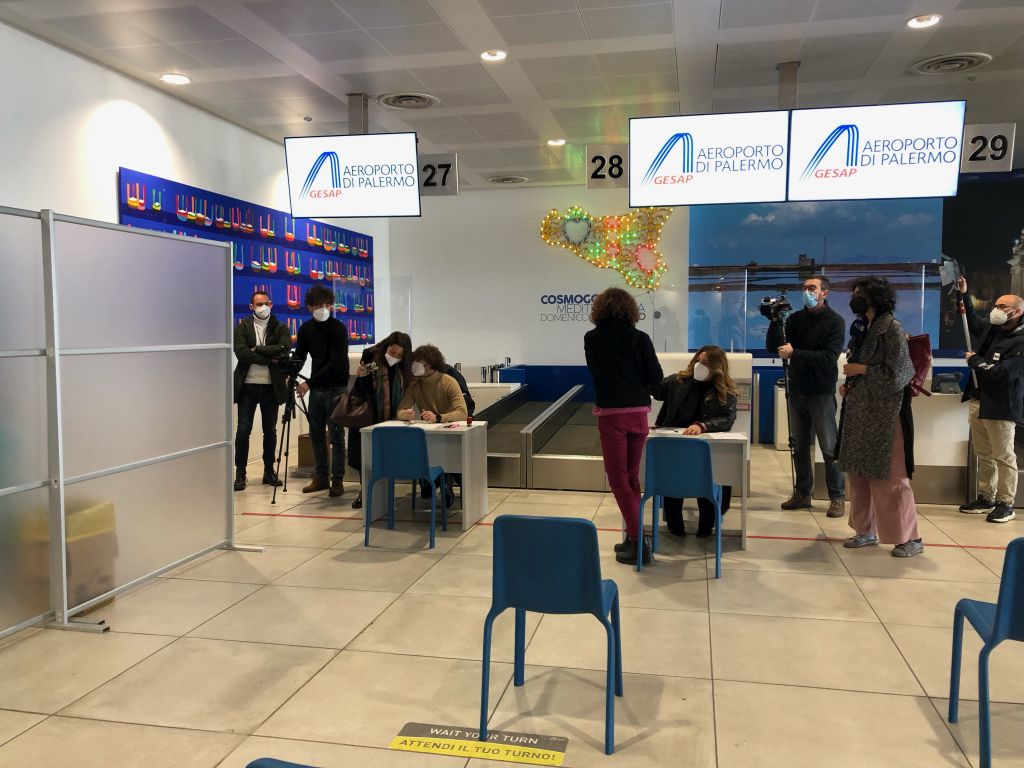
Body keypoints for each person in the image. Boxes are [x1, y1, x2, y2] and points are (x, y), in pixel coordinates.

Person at [837, 276, 923, 557]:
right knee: (859, 475)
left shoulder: (892, 329)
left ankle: (910, 537)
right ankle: (865, 530)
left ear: (874, 298)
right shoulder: (863, 329)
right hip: (860, 412)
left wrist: (862, 371)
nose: (854, 299)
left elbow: (900, 374)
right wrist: (850, 384)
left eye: (859, 294)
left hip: (886, 416)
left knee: (891, 478)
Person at [584, 287, 663, 565]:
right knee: (631, 477)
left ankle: (639, 541)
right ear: (630, 309)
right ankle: (632, 537)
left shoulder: (592, 338)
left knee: (618, 479)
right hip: (639, 413)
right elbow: (655, 377)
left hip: (611, 414)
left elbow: (596, 372)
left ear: (600, 309)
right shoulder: (640, 338)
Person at [766, 275, 846, 517]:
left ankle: (837, 497)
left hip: (821, 391)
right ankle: (802, 493)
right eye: (804, 288)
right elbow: (775, 347)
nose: (807, 292)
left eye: (812, 288)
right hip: (797, 390)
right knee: (799, 446)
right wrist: (774, 321)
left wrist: (796, 354)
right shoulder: (795, 320)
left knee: (829, 447)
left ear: (824, 293)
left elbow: (828, 357)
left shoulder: (835, 321)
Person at [956, 277, 1024, 523]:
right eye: (996, 305)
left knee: (1003, 456)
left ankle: (1006, 503)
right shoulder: (995, 329)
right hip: (979, 399)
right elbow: (973, 321)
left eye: (1003, 306)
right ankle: (987, 497)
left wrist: (975, 361)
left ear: (1017, 311)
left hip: (1002, 405)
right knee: (983, 453)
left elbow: (1003, 374)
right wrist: (963, 295)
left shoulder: (1020, 340)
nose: (997, 310)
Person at [651, 345, 737, 538]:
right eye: (698, 360)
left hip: (706, 447)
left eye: (705, 362)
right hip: (675, 443)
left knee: (708, 481)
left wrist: (703, 426)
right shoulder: (677, 381)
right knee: (674, 482)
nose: (699, 365)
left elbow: (727, 418)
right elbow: (656, 389)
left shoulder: (725, 390)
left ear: (716, 367)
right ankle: (675, 525)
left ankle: (706, 525)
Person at [292, 286, 349, 497]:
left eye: (327, 305)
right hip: (318, 388)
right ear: (310, 307)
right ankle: (321, 477)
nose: (324, 308)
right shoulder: (306, 329)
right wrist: (290, 372)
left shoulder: (338, 328)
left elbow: (335, 362)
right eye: (319, 305)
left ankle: (338, 480)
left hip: (336, 387)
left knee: (336, 436)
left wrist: (308, 383)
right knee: (316, 434)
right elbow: (300, 356)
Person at [232, 291, 292, 491]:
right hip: (247, 386)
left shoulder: (280, 327)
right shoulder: (242, 327)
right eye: (259, 304)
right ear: (251, 306)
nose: (263, 307)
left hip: (271, 387)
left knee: (270, 431)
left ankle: (269, 471)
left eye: (266, 303)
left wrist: (257, 349)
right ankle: (240, 473)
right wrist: (269, 358)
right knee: (243, 431)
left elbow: (284, 350)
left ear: (271, 304)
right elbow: (241, 353)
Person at [347, 331, 413, 510]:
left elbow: (407, 387)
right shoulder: (370, 355)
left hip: (393, 416)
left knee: (387, 455)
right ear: (386, 347)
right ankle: (365, 491)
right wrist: (361, 377)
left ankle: (385, 492)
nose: (395, 357)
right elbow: (360, 390)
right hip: (368, 413)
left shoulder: (406, 364)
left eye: (399, 355)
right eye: (392, 353)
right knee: (364, 455)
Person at [398, 344, 469, 508]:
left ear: (430, 365)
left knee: (449, 454)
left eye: (419, 363)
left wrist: (439, 418)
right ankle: (431, 481)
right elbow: (401, 410)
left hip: (451, 433)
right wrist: (406, 414)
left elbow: (462, 412)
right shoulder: (415, 385)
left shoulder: (448, 382)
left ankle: (446, 483)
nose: (415, 366)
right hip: (428, 434)